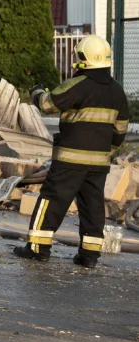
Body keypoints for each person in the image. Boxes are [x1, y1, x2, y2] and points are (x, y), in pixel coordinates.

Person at [15, 35, 129, 268]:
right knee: (92, 206)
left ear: (83, 58)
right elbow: (120, 131)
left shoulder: (77, 84)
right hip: (99, 163)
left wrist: (37, 92)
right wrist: (105, 151)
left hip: (69, 159)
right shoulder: (118, 91)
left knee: (52, 200)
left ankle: (37, 248)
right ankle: (89, 256)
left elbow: (47, 104)